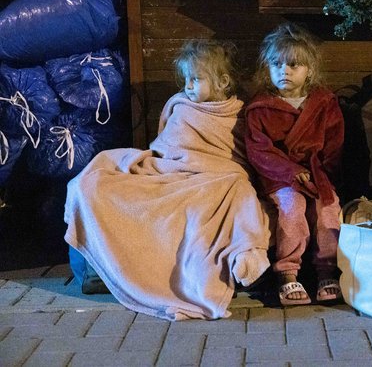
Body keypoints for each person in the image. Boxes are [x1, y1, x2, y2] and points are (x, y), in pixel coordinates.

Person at [64, 40, 271, 320]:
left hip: (214, 175)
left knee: (236, 187)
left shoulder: (237, 115)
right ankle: (106, 269)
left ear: (222, 82)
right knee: (93, 183)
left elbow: (238, 159)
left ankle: (241, 258)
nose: (187, 85)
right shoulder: (182, 107)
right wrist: (163, 166)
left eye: (196, 79)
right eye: (186, 78)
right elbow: (167, 148)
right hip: (168, 172)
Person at [244, 23, 345, 306]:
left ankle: (328, 271)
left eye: (293, 65)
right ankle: (287, 273)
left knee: (328, 210)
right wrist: (291, 172)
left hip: (317, 174)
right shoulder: (260, 108)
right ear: (267, 68)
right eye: (276, 64)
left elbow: (334, 145)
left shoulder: (324, 103)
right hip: (279, 177)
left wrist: (322, 176)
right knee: (293, 207)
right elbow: (259, 152)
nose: (284, 71)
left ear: (309, 70)